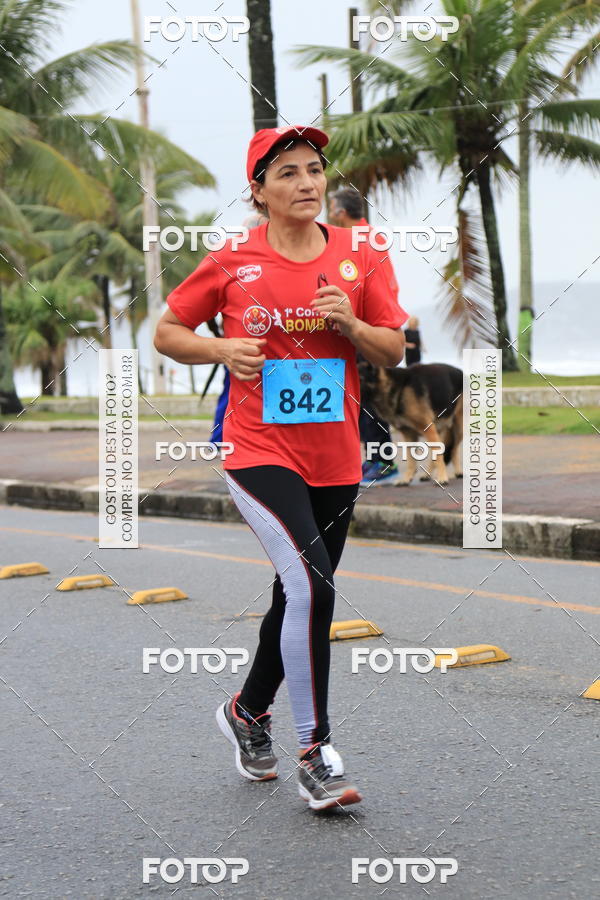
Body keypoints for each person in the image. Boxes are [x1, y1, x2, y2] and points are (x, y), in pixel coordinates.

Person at [154, 125, 408, 812]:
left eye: (315, 169)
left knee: (295, 590)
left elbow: (393, 350)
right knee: (314, 588)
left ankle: (246, 710)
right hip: (258, 448)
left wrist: (352, 328)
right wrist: (224, 350)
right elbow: (167, 331)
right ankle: (315, 752)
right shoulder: (234, 259)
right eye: (288, 173)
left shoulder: (363, 253)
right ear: (259, 190)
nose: (306, 183)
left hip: (335, 455)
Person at [328, 187, 402, 486]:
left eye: (332, 207)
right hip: (361, 329)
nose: (330, 212)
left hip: (365, 330)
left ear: (341, 212)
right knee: (359, 401)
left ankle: (383, 462)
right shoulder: (360, 237)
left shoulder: (362, 240)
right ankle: (373, 460)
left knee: (367, 400)